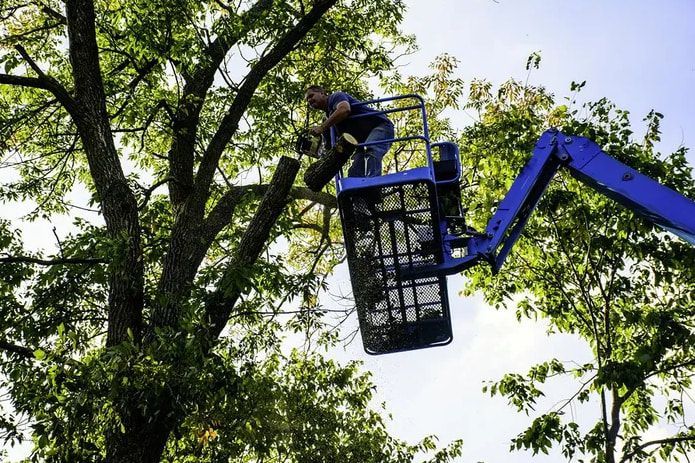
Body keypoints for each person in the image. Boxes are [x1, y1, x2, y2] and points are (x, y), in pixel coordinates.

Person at [304, 85, 395, 177]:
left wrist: (322, 127)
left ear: (322, 93)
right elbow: (329, 148)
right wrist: (316, 152)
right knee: (354, 172)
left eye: (311, 96)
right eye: (307, 99)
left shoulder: (335, 97)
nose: (309, 100)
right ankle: (358, 190)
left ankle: (374, 184)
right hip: (361, 143)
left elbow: (344, 109)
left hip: (380, 126)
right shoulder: (327, 120)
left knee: (371, 149)